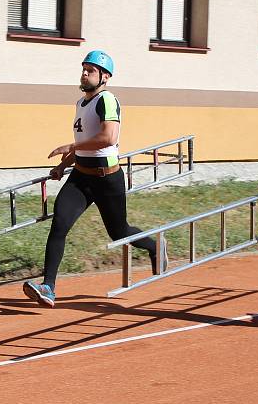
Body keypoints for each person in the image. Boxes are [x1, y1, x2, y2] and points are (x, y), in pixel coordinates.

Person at [23, 50, 167, 307]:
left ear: (105, 77)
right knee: (59, 225)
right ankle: (48, 287)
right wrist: (63, 165)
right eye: (83, 69)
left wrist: (69, 148)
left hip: (107, 179)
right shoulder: (81, 103)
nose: (84, 74)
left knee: (119, 232)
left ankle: (155, 248)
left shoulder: (107, 100)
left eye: (90, 70)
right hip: (81, 178)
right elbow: (82, 143)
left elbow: (108, 138)